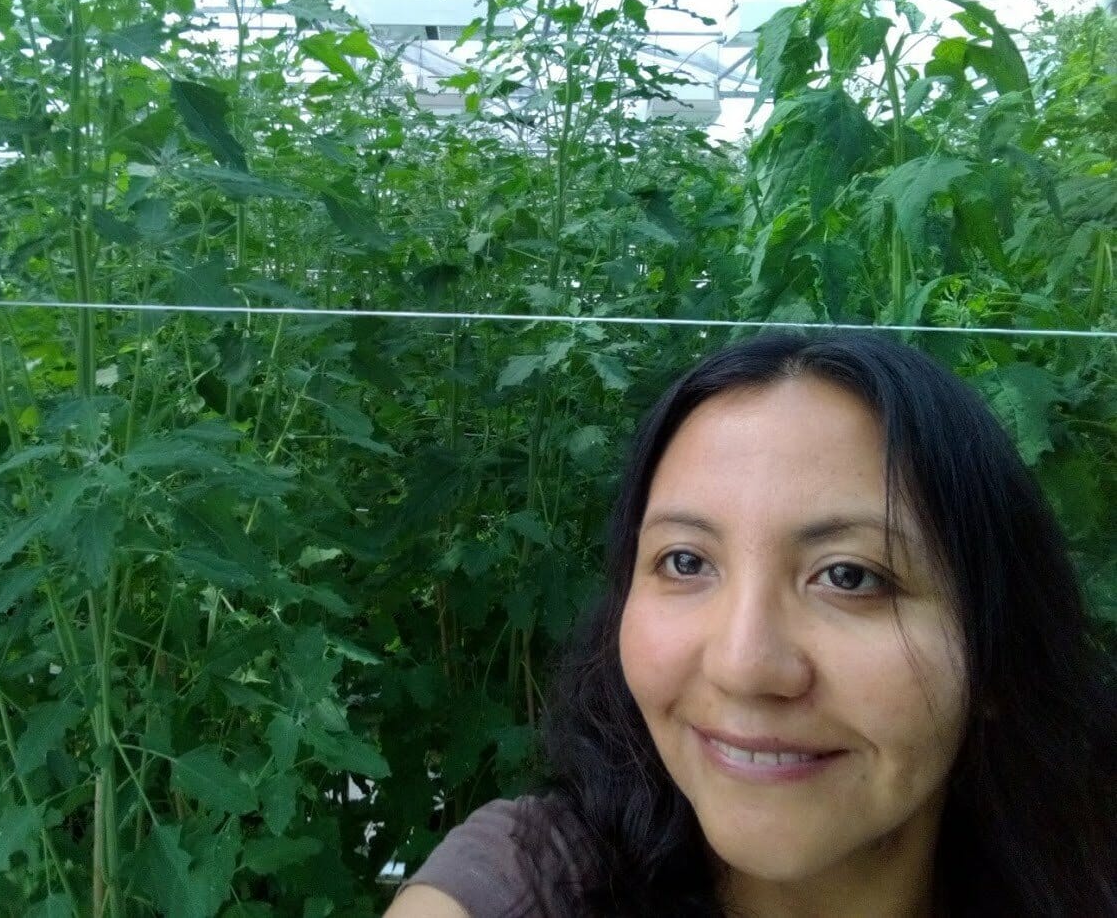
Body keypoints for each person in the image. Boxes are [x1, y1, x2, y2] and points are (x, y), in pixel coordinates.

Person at [385, 332, 1117, 917]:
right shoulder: (532, 884)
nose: (743, 665)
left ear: (996, 650)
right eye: (684, 561)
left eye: (850, 576)